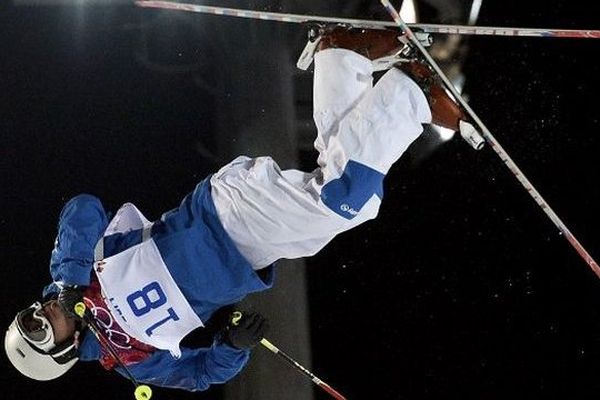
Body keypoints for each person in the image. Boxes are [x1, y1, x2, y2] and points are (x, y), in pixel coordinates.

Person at [4, 26, 466, 392]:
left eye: (31, 315)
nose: (44, 313)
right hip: (250, 254)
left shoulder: (76, 270)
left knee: (343, 201)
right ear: (61, 353)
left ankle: (412, 91)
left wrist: (69, 279)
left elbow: (82, 208)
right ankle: (341, 55)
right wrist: (231, 346)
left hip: (225, 214)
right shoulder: (135, 363)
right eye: (41, 330)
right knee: (346, 199)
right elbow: (202, 374)